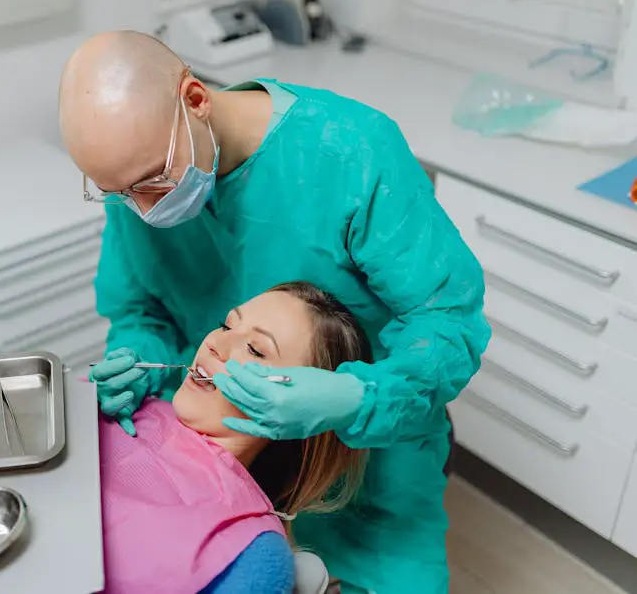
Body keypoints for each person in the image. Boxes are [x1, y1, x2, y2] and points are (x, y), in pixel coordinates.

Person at [59, 30, 490, 593]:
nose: (142, 209)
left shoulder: (349, 153)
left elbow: (448, 323)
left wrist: (354, 398)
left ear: (195, 99)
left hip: (371, 466)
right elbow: (139, 306)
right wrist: (140, 358)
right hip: (225, 457)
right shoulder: (136, 180)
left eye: (149, 183)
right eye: (117, 193)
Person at [99, 282, 370, 593]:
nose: (216, 342)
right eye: (226, 325)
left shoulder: (251, 555)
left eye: (255, 349)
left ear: (297, 411)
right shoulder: (125, 403)